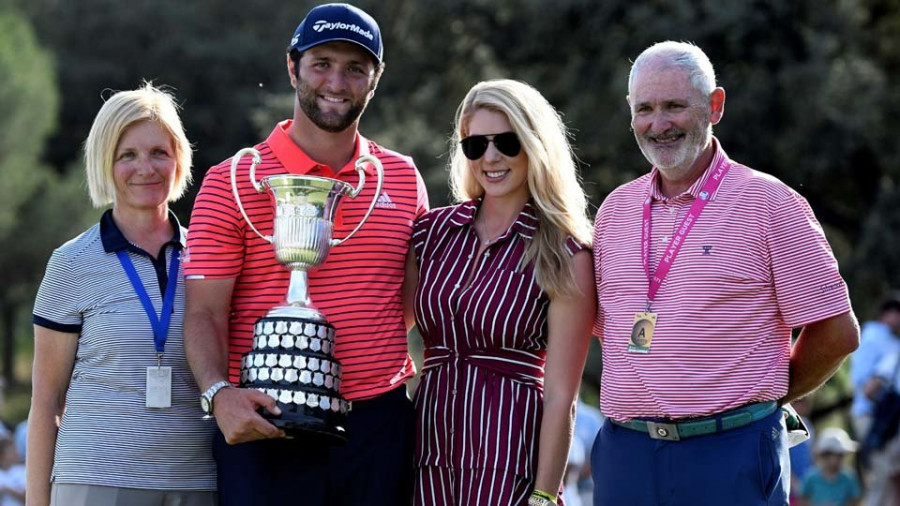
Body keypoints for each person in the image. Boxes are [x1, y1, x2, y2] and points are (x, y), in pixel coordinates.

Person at [590, 41, 859, 505]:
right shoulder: (615, 210)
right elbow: (609, 330)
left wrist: (761, 398)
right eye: (645, 109)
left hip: (732, 449)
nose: (659, 124)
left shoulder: (769, 204)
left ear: (715, 106)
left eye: (675, 106)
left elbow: (837, 331)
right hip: (626, 453)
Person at [183, 3, 429, 505]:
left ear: (374, 81)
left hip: (377, 430)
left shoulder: (402, 178)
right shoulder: (231, 180)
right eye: (321, 64)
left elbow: (407, 301)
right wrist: (217, 394)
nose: (336, 81)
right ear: (292, 67)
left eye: (355, 68)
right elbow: (205, 311)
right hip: (265, 423)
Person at [27, 83, 216, 505]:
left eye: (158, 153)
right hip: (96, 480)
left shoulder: (210, 260)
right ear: (104, 163)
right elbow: (45, 404)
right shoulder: (71, 263)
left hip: (195, 482)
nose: (144, 168)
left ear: (178, 160)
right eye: (126, 155)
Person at [410, 79, 595, 506]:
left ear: (534, 145)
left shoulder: (566, 253)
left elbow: (561, 397)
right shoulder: (433, 233)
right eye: (475, 146)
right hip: (425, 449)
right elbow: (391, 332)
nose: (490, 158)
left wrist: (545, 496)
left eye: (506, 143)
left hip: (507, 456)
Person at [850, 297, 900, 440]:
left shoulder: (884, 337)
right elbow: (866, 384)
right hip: (874, 414)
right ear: (889, 313)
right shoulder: (877, 335)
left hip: (881, 413)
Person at [862, 349, 900, 506]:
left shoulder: (895, 354)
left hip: (892, 431)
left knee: (883, 485)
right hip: (893, 431)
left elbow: (869, 391)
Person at [799, 427, 862, 506]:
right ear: (826, 455)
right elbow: (802, 500)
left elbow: (855, 501)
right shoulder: (810, 477)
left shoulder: (849, 477)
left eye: (841, 455)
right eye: (838, 455)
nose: (840, 459)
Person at [0, 438, 25, 506]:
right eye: (11, 451)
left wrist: (7, 490)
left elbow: (27, 497)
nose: (16, 453)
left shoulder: (22, 471)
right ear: (2, 455)